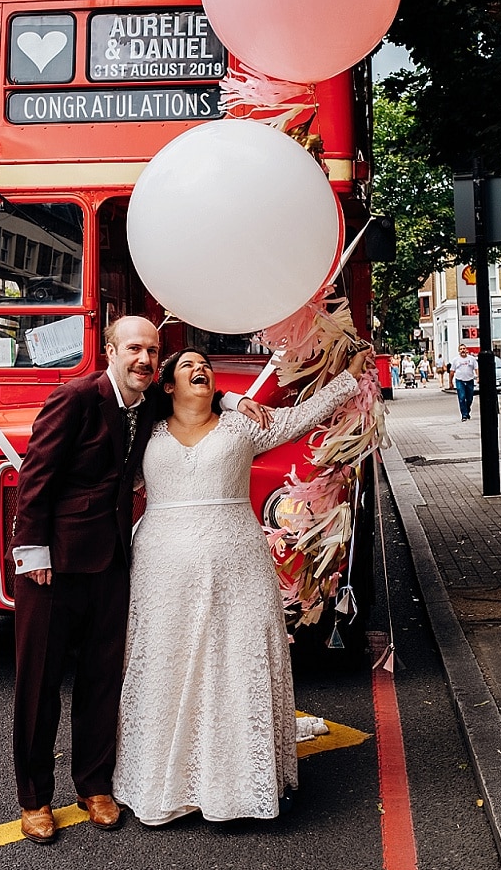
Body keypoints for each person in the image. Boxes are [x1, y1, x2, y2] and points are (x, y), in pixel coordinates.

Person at [10, 317, 260, 843]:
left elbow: (200, 393)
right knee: (40, 683)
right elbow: (35, 475)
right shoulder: (75, 397)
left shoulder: (148, 405)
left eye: (151, 351)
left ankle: (94, 785)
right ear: (110, 351)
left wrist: (234, 401)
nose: (143, 359)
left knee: (103, 679)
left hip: (112, 563)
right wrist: (32, 552)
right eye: (133, 349)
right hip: (51, 565)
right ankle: (34, 798)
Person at [111, 345, 371, 826]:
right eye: (188, 366)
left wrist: (348, 379)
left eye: (205, 366)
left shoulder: (242, 425)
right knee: (166, 662)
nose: (201, 370)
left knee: (238, 660)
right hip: (161, 568)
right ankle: (165, 781)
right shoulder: (144, 428)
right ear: (167, 386)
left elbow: (298, 418)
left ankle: (242, 783)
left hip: (239, 564)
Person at [449, 343, 480, 421]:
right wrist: (450, 382)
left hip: (470, 380)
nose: (462, 350)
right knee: (462, 397)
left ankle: (467, 410)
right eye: (461, 349)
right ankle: (464, 415)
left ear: (466, 350)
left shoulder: (472, 359)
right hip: (460, 381)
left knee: (469, 398)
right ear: (459, 351)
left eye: (464, 349)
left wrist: (478, 377)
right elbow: (452, 371)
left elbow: (476, 368)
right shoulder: (456, 360)